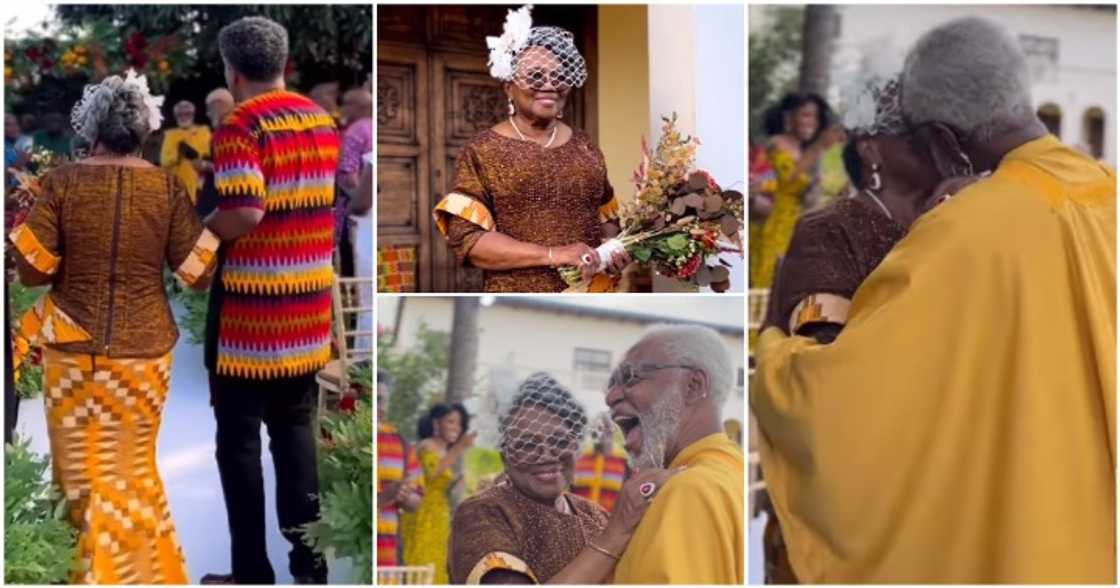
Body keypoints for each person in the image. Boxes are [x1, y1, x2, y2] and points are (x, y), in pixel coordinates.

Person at [752, 17, 1116, 583]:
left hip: (1027, 526)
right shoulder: (1106, 193)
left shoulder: (964, 229)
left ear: (945, 141)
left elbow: (841, 400)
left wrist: (774, 358)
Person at [8, 69, 217, 584]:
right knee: (133, 471)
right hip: (144, 357)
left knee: (79, 478)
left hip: (72, 352)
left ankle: (84, 575)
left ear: (92, 126)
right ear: (144, 130)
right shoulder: (167, 188)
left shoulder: (61, 183)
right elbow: (197, 273)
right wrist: (215, 226)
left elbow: (32, 270)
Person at [200, 16, 339, 585]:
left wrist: (207, 224)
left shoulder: (239, 124)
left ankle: (251, 574)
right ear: (284, 63)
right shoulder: (321, 120)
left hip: (249, 318)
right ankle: (310, 564)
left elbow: (245, 211)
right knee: (295, 435)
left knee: (239, 449)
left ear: (231, 69)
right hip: (307, 308)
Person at [433, 6, 628, 293]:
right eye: (536, 77)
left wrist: (613, 250)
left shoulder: (586, 147)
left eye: (558, 77)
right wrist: (553, 255)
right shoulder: (484, 150)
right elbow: (469, 241)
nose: (549, 85)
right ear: (509, 87)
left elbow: (608, 219)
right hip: (518, 296)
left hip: (593, 293)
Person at [448, 373, 679, 584]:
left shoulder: (594, 514)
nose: (547, 454)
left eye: (560, 441)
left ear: (576, 446)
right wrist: (615, 533)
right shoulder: (483, 513)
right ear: (505, 455)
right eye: (528, 444)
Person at [606, 325, 744, 583]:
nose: (610, 396)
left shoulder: (688, 489)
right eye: (611, 383)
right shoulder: (733, 470)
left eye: (631, 377)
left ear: (693, 385)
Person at [749, 94, 847, 289]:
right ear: (788, 117)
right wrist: (819, 146)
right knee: (766, 282)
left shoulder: (802, 151)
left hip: (793, 227)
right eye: (806, 115)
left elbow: (803, 193)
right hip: (771, 225)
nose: (812, 122)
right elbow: (787, 180)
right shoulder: (776, 144)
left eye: (815, 117)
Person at [403, 403, 474, 583]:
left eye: (459, 424)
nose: (456, 428)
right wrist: (459, 449)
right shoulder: (426, 446)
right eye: (451, 422)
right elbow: (432, 473)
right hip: (422, 515)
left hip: (440, 518)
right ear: (436, 423)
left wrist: (457, 481)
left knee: (438, 569)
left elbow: (441, 484)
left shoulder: (446, 451)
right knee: (421, 566)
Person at [376, 370, 423, 568]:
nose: (378, 407)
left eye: (382, 400)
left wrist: (404, 495)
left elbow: (416, 502)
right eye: (373, 399)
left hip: (388, 560)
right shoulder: (344, 442)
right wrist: (384, 497)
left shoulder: (402, 444)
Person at [335, 88, 372, 277]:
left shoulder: (355, 131)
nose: (342, 109)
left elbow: (347, 175)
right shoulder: (373, 128)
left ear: (357, 107)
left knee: (351, 273)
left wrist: (359, 202)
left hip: (355, 218)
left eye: (346, 104)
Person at [571, 414, 628, 513]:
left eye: (604, 429)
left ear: (612, 430)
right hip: (582, 521)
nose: (600, 434)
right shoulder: (579, 459)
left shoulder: (624, 462)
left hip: (611, 522)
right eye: (596, 429)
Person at [194, 88, 236, 218]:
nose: (207, 114)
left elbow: (236, 170)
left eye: (209, 109)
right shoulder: (225, 131)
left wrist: (206, 166)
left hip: (220, 203)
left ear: (219, 105)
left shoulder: (230, 132)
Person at [160, 99, 211, 204]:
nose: (184, 116)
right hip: (176, 189)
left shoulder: (204, 132)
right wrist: (178, 154)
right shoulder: (170, 135)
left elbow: (209, 155)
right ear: (176, 116)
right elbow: (164, 161)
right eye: (180, 114)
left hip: (200, 188)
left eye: (187, 113)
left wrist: (196, 155)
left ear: (193, 114)